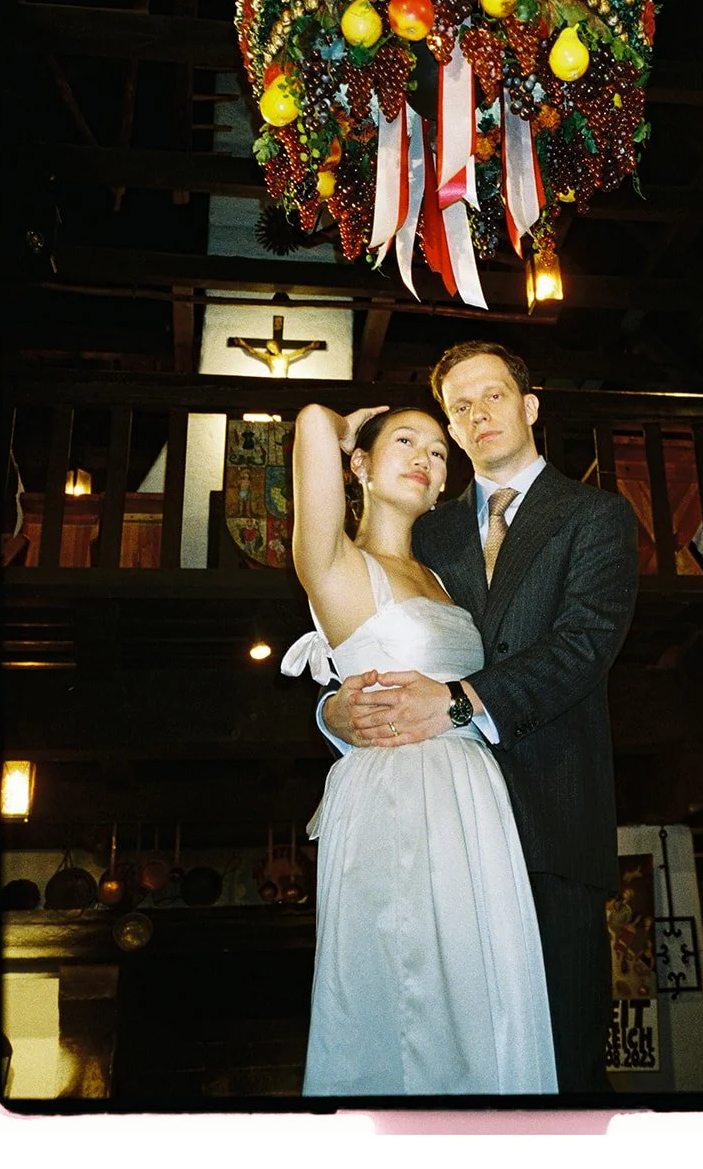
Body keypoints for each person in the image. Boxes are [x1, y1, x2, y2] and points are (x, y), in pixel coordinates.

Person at [321, 342, 640, 1093]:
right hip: (436, 838)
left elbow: (585, 643)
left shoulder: (596, 516)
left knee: (561, 1062)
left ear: (529, 408)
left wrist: (461, 700)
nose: (476, 414)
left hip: (551, 821)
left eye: (492, 396)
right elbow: (369, 630)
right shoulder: (424, 532)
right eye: (458, 407)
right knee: (446, 1056)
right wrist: (338, 710)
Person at [280, 400, 557, 1097]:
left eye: (438, 453)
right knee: (411, 1002)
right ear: (361, 468)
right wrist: (344, 430)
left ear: (442, 488)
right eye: (405, 442)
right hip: (399, 797)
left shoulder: (442, 579)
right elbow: (311, 418)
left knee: (481, 992)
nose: (426, 458)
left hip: (472, 796)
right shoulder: (338, 562)